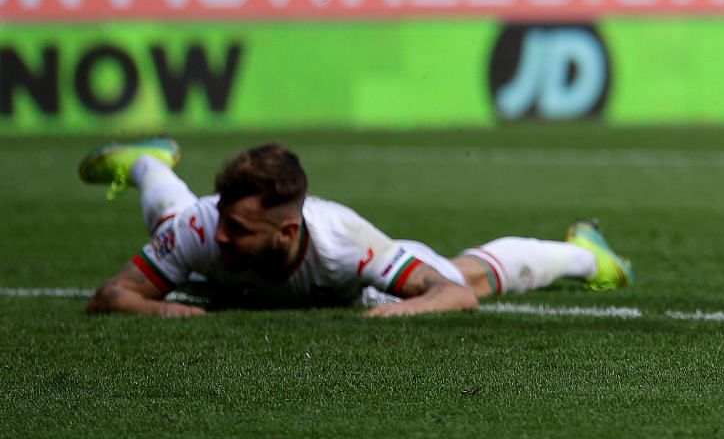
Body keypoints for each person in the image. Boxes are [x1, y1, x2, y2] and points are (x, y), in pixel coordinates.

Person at [81, 138, 633, 316]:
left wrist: (399, 313)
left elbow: (455, 295)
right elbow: (110, 295)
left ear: (286, 234)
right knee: (176, 220)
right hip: (193, 237)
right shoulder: (207, 228)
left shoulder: (344, 242)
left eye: (242, 229)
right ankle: (148, 161)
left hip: (360, 289)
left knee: (476, 275)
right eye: (225, 219)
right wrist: (163, 309)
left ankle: (588, 256)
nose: (224, 235)